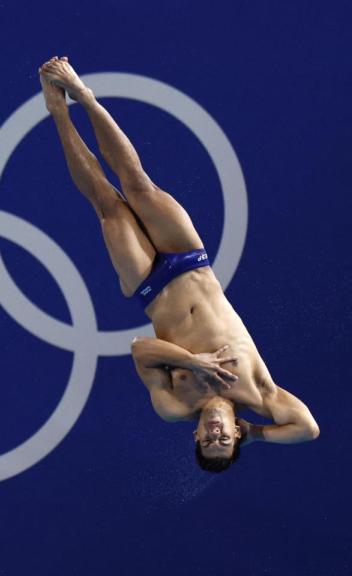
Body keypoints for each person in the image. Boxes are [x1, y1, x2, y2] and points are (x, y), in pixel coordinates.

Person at [38, 56, 318, 472]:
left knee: (106, 204)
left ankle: (58, 112)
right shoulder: (259, 394)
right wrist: (256, 433)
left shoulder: (174, 407)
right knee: (136, 182)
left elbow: (141, 350)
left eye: (207, 442)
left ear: (196, 436)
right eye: (224, 441)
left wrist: (193, 362)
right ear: (236, 433)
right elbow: (307, 430)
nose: (215, 435)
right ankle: (83, 94)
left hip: (150, 286)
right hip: (191, 263)